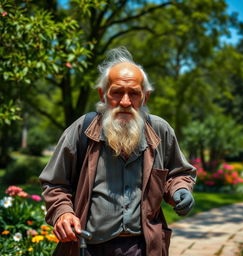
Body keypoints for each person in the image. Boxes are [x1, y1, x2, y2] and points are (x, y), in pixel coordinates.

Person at [39, 47, 196, 256]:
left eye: (133, 94)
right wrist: (63, 213)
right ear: (103, 94)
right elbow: (54, 182)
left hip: (142, 247)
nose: (125, 102)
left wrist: (180, 190)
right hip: (88, 246)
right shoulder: (81, 130)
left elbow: (179, 174)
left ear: (145, 97)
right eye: (117, 92)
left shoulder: (160, 131)